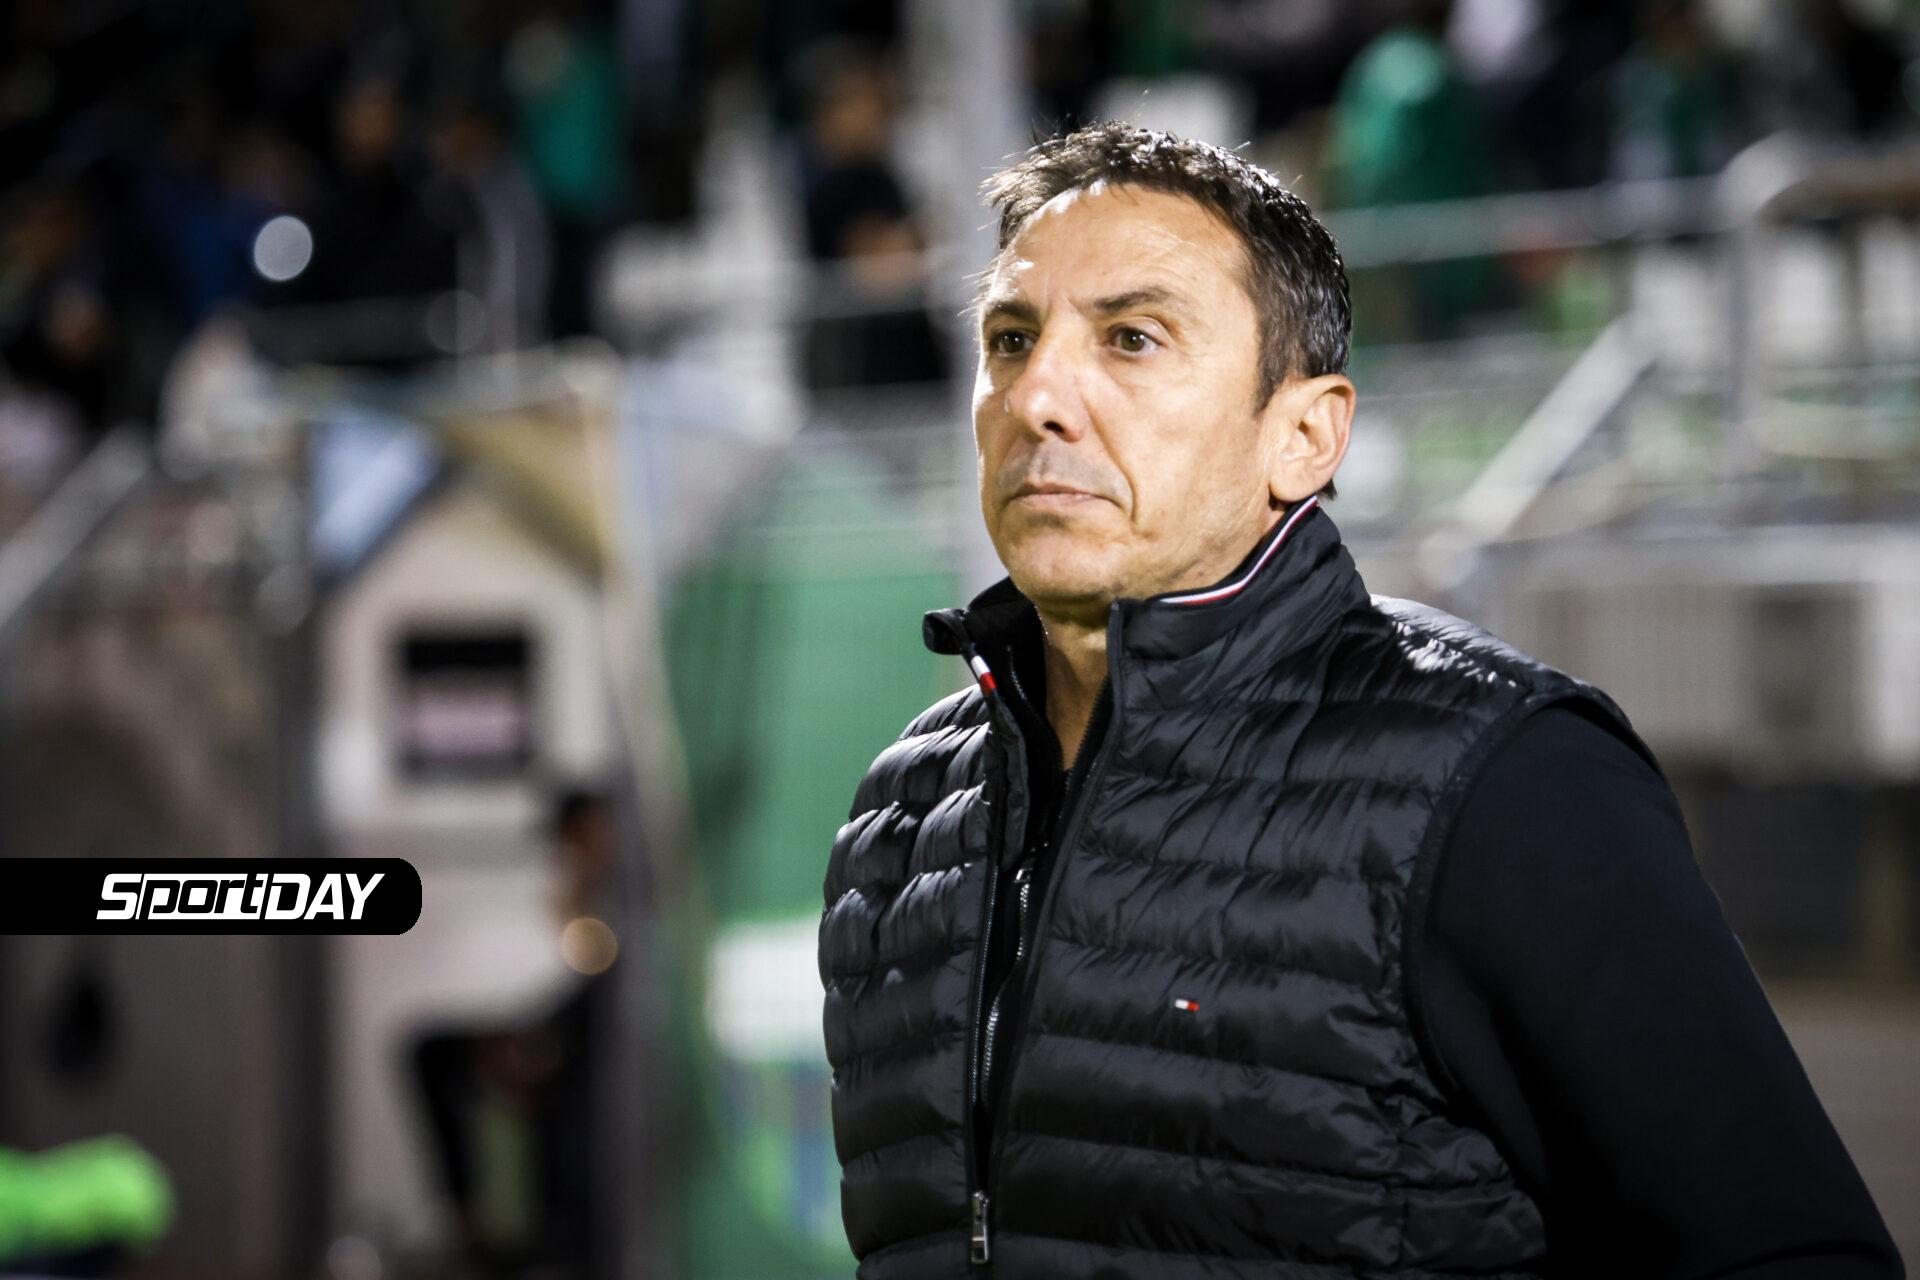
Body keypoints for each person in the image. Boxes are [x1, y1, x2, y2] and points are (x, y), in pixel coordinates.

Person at [817, 122, 1903, 1278]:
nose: (1039, 394)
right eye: (1012, 338)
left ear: (1303, 436)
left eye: (1132, 338)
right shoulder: (900, 822)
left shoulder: (1503, 779)